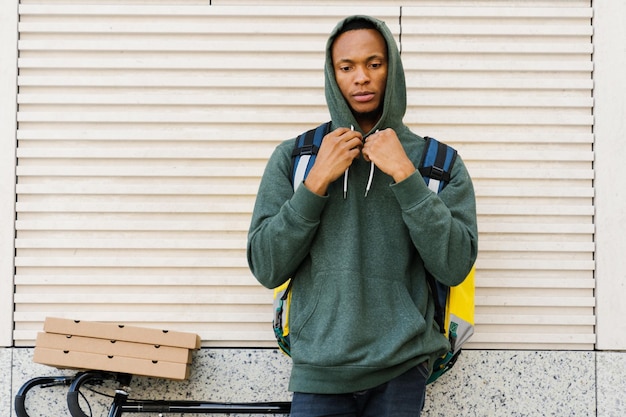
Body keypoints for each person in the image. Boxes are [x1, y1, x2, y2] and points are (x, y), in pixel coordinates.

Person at [247, 15, 478, 417]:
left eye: (374, 64)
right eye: (347, 67)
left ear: (393, 68)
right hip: (318, 371)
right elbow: (267, 266)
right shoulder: (296, 158)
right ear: (332, 74)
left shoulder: (438, 163)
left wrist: (405, 175)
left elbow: (455, 264)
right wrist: (317, 180)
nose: (361, 78)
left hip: (402, 370)